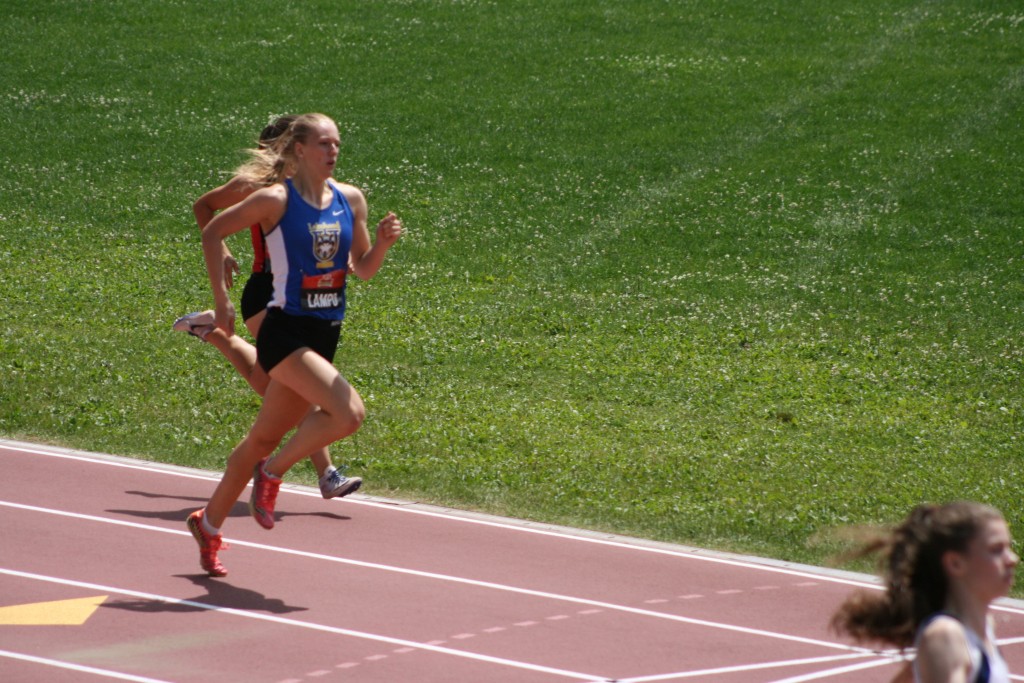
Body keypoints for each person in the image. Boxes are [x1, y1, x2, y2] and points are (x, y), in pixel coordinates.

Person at [186, 112, 403, 576]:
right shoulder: (274, 199)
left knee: (259, 439)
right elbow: (211, 228)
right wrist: (222, 302)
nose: (333, 151)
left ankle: (207, 525)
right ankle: (273, 473)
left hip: (326, 332)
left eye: (338, 144)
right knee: (349, 413)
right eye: (324, 144)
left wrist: (382, 244)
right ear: (299, 150)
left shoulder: (351, 198)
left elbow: (362, 268)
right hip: (285, 330)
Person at [173, 116, 360, 501]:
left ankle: (214, 333)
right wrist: (222, 250)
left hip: (303, 300)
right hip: (266, 295)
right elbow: (205, 207)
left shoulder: (321, 192)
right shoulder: (259, 188)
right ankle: (325, 472)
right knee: (296, 390)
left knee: (276, 387)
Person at [831, 501, 1017, 683]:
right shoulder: (946, 636)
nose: (1012, 559)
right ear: (955, 563)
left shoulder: (983, 628)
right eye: (996, 550)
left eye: (1008, 547)